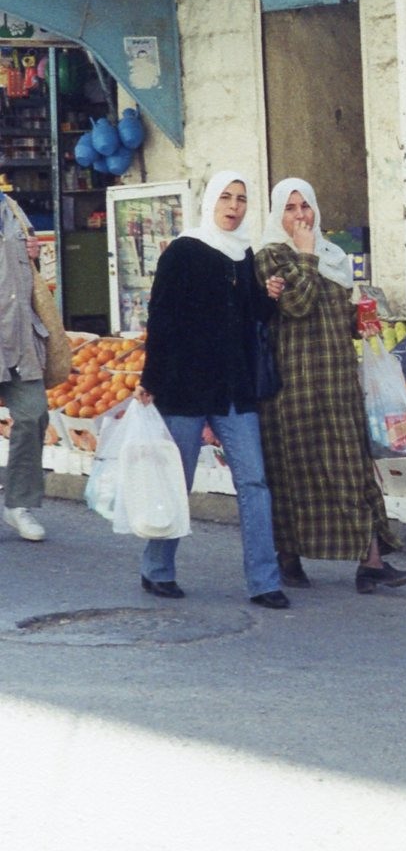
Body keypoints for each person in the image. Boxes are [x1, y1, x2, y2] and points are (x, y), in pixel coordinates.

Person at [137, 171, 290, 608]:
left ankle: (264, 581)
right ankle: (157, 569)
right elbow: (161, 318)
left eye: (241, 198)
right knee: (178, 480)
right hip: (184, 386)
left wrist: (268, 296)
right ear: (210, 202)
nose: (234, 206)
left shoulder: (243, 253)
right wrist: (151, 379)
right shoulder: (183, 251)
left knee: (254, 481)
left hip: (234, 389)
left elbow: (248, 316)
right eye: (226, 197)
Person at [256, 178, 406, 593]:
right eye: (290, 208)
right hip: (293, 389)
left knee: (351, 469)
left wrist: (360, 322)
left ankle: (371, 563)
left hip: (338, 384)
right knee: (293, 474)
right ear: (277, 214)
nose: (300, 215)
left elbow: (332, 315)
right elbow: (297, 304)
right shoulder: (271, 256)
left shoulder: (334, 256)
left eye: (305, 205)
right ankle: (288, 559)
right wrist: (305, 254)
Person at [0, 192, 49, 542]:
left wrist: (35, 256)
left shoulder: (13, 211)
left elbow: (30, 275)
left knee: (34, 414)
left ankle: (19, 505)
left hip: (19, 338)